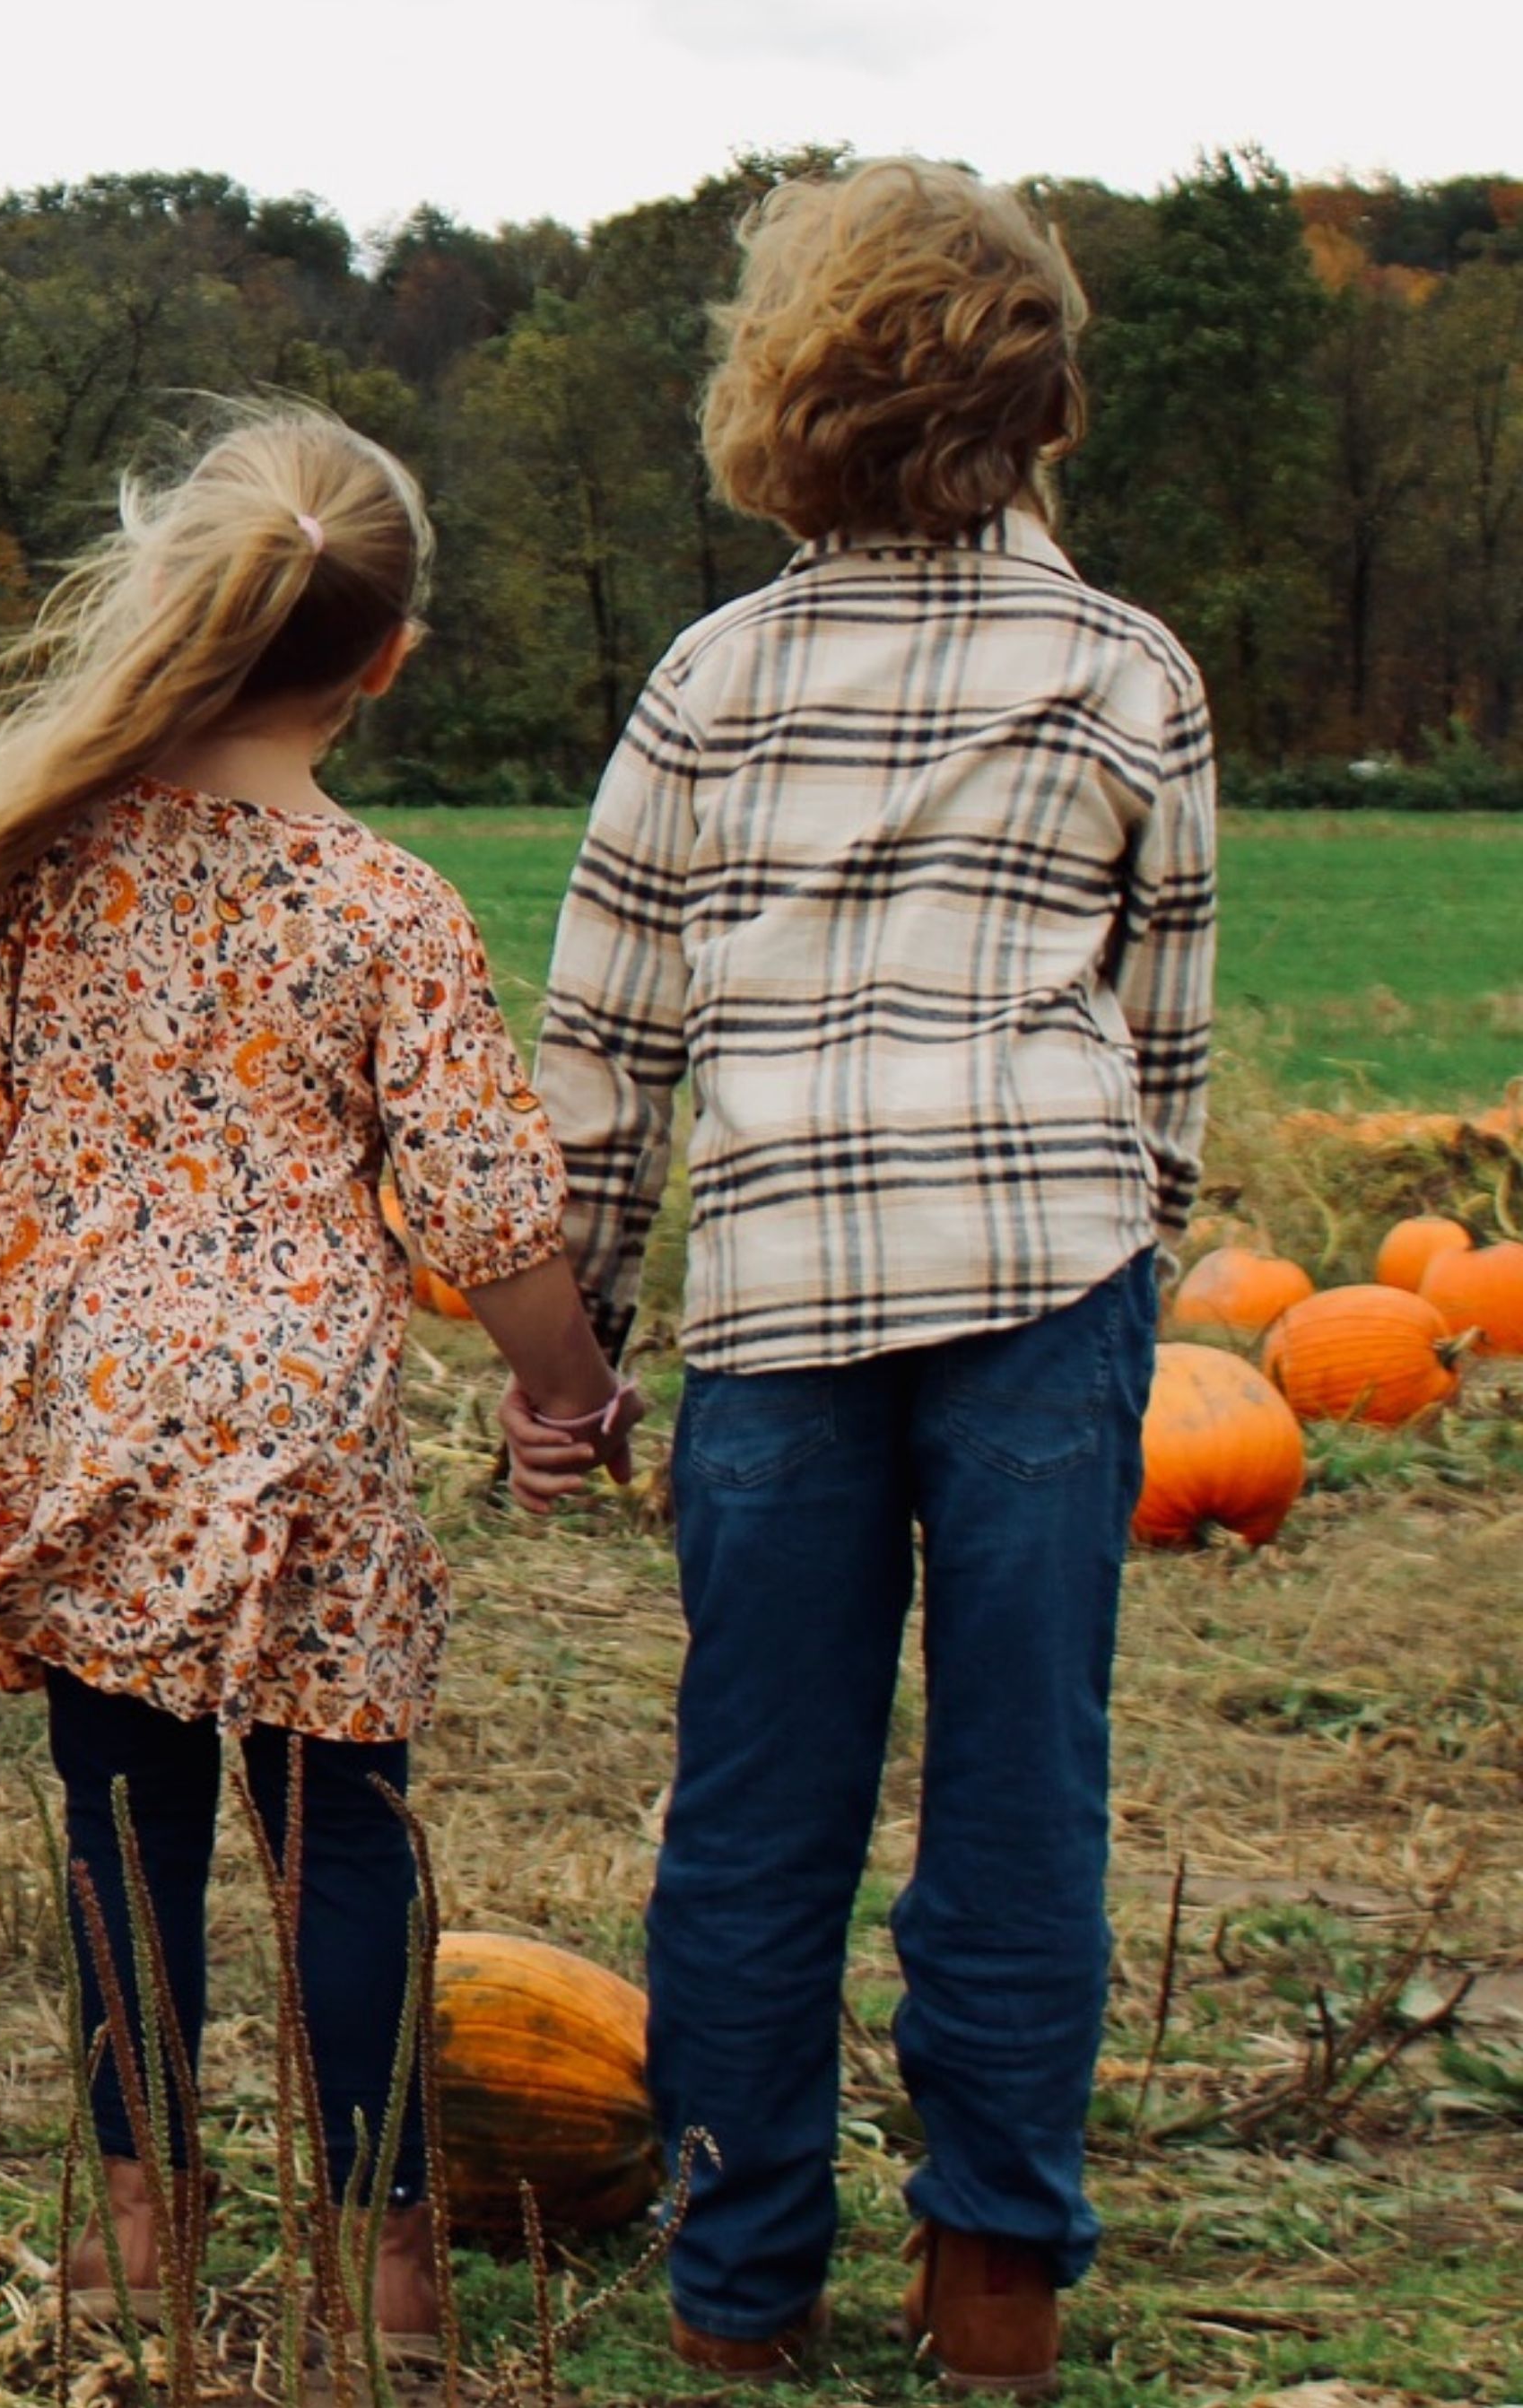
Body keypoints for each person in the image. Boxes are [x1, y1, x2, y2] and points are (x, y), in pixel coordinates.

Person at [0, 403, 636, 2365]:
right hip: (295, 1420)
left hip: (80, 1397)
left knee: (117, 1818)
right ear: (382, 659)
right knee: (342, 1832)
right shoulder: (385, 904)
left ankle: (127, 2238)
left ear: (173, 614)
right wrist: (560, 1392)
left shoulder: (44, 860)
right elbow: (483, 1211)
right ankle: (385, 2275)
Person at [530, 159, 1216, 2395]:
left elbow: (605, 1053)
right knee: (1019, 1790)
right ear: (1040, 400)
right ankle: (994, 2280)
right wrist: (1138, 1246)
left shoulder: (708, 677)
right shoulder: (1129, 671)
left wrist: (577, 1347)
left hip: (787, 1296)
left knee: (755, 1800)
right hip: (1046, 1271)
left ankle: (740, 2294)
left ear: (779, 393)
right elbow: (1160, 1039)